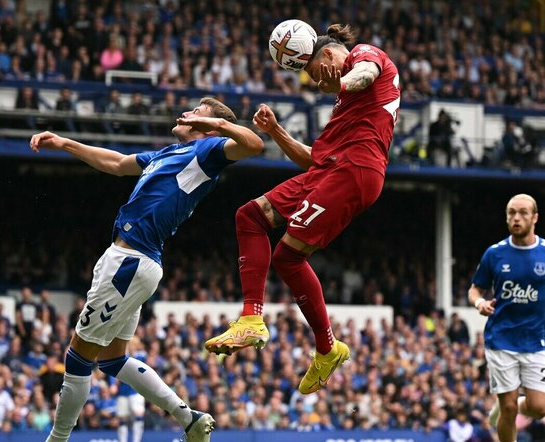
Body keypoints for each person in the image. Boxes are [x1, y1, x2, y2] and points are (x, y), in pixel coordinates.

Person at [29, 96, 263, 442]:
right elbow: (118, 162)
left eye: (196, 112)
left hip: (130, 261)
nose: (186, 113)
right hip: (134, 263)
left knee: (78, 356)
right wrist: (65, 143)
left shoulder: (208, 152)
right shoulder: (169, 153)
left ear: (209, 124)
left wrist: (217, 126)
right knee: (111, 359)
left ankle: (58, 439)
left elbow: (254, 145)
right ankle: (191, 420)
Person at [205, 24, 400, 396]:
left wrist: (342, 82)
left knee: (289, 257)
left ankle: (327, 348)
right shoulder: (344, 109)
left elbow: (363, 76)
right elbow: (312, 159)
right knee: (249, 215)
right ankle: (251, 319)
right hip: (329, 170)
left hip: (355, 170)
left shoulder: (364, 56)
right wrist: (276, 131)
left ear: (327, 56)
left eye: (311, 74)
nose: (314, 83)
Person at [468, 194, 545, 442]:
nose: (516, 218)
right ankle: (505, 407)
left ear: (535, 218)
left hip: (537, 340)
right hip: (501, 338)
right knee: (509, 407)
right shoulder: (495, 254)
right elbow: (475, 289)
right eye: (512, 212)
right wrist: (479, 302)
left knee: (538, 407)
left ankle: (508, 406)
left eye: (523, 213)